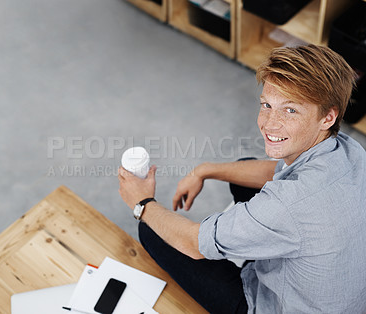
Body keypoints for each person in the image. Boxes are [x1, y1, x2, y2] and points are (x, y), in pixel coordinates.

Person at [118, 44, 366, 313]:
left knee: (152, 229)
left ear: (327, 117)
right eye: (267, 105)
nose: (270, 123)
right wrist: (205, 170)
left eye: (291, 110)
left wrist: (141, 202)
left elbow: (193, 243)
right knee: (243, 171)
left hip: (281, 306)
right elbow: (276, 173)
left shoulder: (287, 206)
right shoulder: (350, 151)